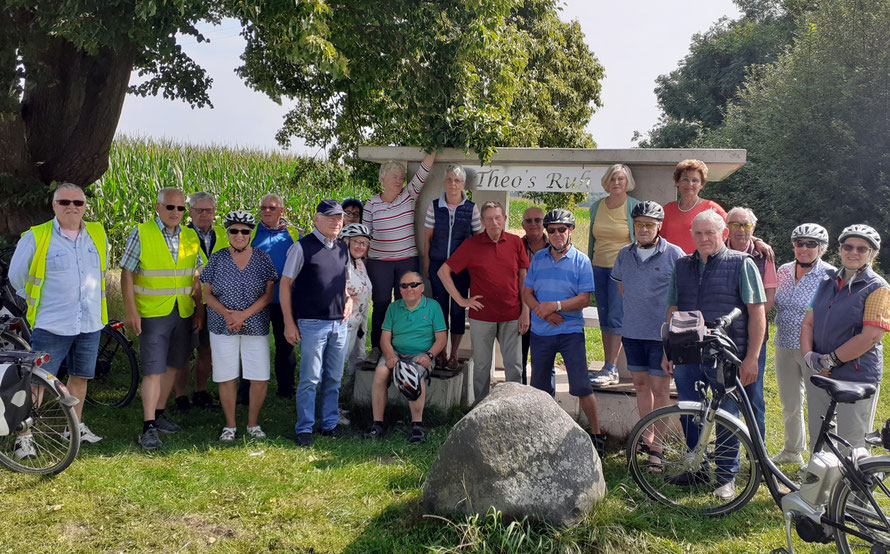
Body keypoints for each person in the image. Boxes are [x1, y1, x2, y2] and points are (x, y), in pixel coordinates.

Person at [662, 209, 767, 500]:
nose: (704, 238)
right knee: (688, 411)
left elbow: (758, 313)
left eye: (710, 232)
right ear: (692, 235)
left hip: (727, 354)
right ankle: (697, 467)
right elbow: (673, 309)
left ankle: (726, 477)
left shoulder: (742, 263)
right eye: (698, 233)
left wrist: (752, 357)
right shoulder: (682, 265)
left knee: (727, 416)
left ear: (723, 233)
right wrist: (668, 349)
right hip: (688, 352)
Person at [9, 183, 109, 456]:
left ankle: (74, 427)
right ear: (54, 206)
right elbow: (17, 276)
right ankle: (24, 437)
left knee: (80, 376)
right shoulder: (37, 236)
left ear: (85, 206)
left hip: (89, 321)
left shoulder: (98, 235)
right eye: (64, 202)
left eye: (78, 202)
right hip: (52, 323)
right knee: (38, 382)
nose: (72, 207)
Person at [121, 187, 204, 450]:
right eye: (170, 207)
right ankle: (147, 427)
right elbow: (127, 273)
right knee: (153, 370)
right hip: (153, 312)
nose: (176, 213)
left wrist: (199, 310)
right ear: (157, 208)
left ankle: (158, 415)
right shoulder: (142, 233)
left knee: (173, 366)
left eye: (181, 208)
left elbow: (196, 276)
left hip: (182, 312)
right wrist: (131, 311)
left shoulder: (190, 236)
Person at [521, 209, 605, 457]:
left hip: (570, 332)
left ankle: (597, 434)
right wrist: (541, 310)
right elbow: (527, 292)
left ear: (571, 231)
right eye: (552, 229)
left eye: (562, 229)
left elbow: (584, 299)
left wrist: (555, 306)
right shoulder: (538, 258)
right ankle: (540, 432)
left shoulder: (581, 261)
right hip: (541, 332)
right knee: (539, 387)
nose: (557, 234)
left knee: (581, 386)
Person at [801, 224, 890, 451]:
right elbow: (809, 321)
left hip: (855, 376)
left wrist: (829, 360)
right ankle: (820, 485)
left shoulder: (877, 287)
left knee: (853, 441)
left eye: (862, 248)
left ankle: (854, 487)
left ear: (872, 254)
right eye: (848, 246)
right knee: (820, 435)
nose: (854, 252)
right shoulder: (826, 281)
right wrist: (810, 356)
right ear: (840, 249)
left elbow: (869, 337)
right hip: (821, 370)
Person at [611, 201, 684, 459]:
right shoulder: (624, 254)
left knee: (661, 390)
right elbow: (623, 288)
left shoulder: (675, 254)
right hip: (632, 332)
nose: (643, 229)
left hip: (660, 335)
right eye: (639, 224)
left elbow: (682, 296)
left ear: (659, 226)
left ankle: (659, 448)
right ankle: (646, 438)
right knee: (640, 386)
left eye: (649, 225)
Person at [437, 201, 529, 404]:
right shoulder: (471, 245)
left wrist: (525, 311)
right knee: (481, 366)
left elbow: (524, 279)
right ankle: (480, 409)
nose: (494, 222)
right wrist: (461, 300)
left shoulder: (516, 243)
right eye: (489, 219)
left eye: (498, 218)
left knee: (514, 366)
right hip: (482, 318)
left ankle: (516, 407)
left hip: (512, 315)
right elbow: (443, 271)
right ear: (482, 222)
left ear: (504, 219)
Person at [280, 200, 352, 447]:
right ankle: (305, 428)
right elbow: (285, 285)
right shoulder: (302, 248)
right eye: (331, 217)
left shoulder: (343, 248)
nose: (337, 222)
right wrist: (289, 323)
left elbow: (342, 282)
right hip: (312, 324)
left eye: (340, 218)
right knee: (310, 378)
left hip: (339, 325)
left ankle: (329, 424)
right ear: (317, 219)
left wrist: (349, 299)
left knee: (333, 377)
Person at [200, 210, 277, 441]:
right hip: (222, 325)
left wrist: (243, 315)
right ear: (228, 232)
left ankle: (253, 424)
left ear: (251, 233)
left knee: (259, 376)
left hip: (255, 325)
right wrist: (228, 315)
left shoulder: (263, 258)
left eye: (245, 231)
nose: (240, 235)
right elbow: (208, 294)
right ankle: (230, 425)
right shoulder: (217, 258)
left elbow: (267, 295)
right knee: (226, 375)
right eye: (234, 230)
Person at [772, 224, 834, 465]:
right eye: (800, 243)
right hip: (783, 343)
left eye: (811, 244)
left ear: (822, 248)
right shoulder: (784, 270)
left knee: (817, 403)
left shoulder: (830, 274)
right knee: (790, 402)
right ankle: (792, 450)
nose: (804, 248)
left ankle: (817, 459)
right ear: (793, 245)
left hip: (813, 348)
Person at [364, 152, 437, 355]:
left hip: (406, 261)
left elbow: (424, 169)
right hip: (379, 263)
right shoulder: (371, 204)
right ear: (383, 179)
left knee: (405, 303)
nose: (399, 180)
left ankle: (400, 346)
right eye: (394, 177)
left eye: (401, 177)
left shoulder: (408, 195)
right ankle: (378, 347)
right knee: (380, 304)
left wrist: (434, 144)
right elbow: (364, 236)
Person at [367, 271, 446, 443]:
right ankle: (377, 425)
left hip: (421, 354)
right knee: (380, 373)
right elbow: (385, 338)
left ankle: (417, 426)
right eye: (404, 286)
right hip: (395, 351)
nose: (409, 288)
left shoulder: (433, 307)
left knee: (414, 376)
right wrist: (389, 356)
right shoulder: (393, 307)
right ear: (400, 290)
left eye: (413, 285)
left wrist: (429, 355)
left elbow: (441, 338)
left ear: (422, 288)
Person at [724, 206, 776, 441]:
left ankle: (759, 455)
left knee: (754, 397)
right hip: (723, 338)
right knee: (725, 397)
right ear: (727, 228)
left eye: (746, 225)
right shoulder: (716, 250)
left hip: (753, 337)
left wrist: (748, 322)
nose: (741, 230)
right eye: (735, 225)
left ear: (753, 228)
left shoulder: (764, 256)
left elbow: (768, 300)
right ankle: (727, 458)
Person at [422, 164, 481, 369]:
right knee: (439, 310)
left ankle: (454, 354)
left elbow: (477, 239)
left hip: (461, 269)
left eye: (457, 180)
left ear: (463, 184)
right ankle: (441, 353)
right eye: (449, 179)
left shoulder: (471, 208)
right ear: (444, 182)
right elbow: (427, 238)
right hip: (438, 265)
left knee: (457, 310)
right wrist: (428, 264)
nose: (452, 184)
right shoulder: (434, 206)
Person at [173, 191, 228, 412]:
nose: (204, 214)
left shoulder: (224, 234)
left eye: (209, 210)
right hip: (187, 301)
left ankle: (201, 391)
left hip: (215, 303)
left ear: (214, 212)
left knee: (207, 350)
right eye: (199, 210)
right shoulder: (179, 234)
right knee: (184, 352)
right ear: (190, 212)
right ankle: (180, 396)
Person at [587, 164, 641, 386]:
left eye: (621, 179)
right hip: (598, 267)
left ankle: (612, 367)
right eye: (612, 179)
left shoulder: (634, 207)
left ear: (628, 182)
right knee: (604, 317)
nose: (616, 183)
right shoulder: (597, 206)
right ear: (606, 182)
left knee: (617, 318)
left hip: (622, 271)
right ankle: (606, 366)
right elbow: (593, 238)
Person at [250, 193, 301, 398]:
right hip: (256, 301)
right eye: (263, 208)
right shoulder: (251, 232)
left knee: (286, 345)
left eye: (272, 208)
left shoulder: (295, 233)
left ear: (282, 211)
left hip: (286, 300)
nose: (267, 211)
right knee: (253, 346)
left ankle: (286, 389)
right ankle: (247, 391)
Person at [660, 159, 728, 255]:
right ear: (677, 182)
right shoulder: (667, 209)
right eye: (685, 179)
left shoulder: (712, 208)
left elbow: (734, 230)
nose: (690, 184)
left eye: (695, 180)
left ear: (702, 184)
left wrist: (755, 241)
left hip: (701, 265)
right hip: (672, 265)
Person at [340, 223, 373, 399]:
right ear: (346, 241)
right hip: (344, 322)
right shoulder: (340, 261)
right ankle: (331, 406)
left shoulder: (359, 263)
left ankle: (349, 398)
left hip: (359, 322)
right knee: (339, 363)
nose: (361, 246)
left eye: (364, 243)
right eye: (357, 242)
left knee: (357, 358)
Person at [520, 206, 549, 385]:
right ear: (523, 224)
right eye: (528, 220)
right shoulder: (516, 246)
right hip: (522, 310)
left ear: (544, 223)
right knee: (519, 359)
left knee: (543, 361)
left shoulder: (554, 246)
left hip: (546, 311)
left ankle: (543, 399)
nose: (533, 224)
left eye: (537, 220)